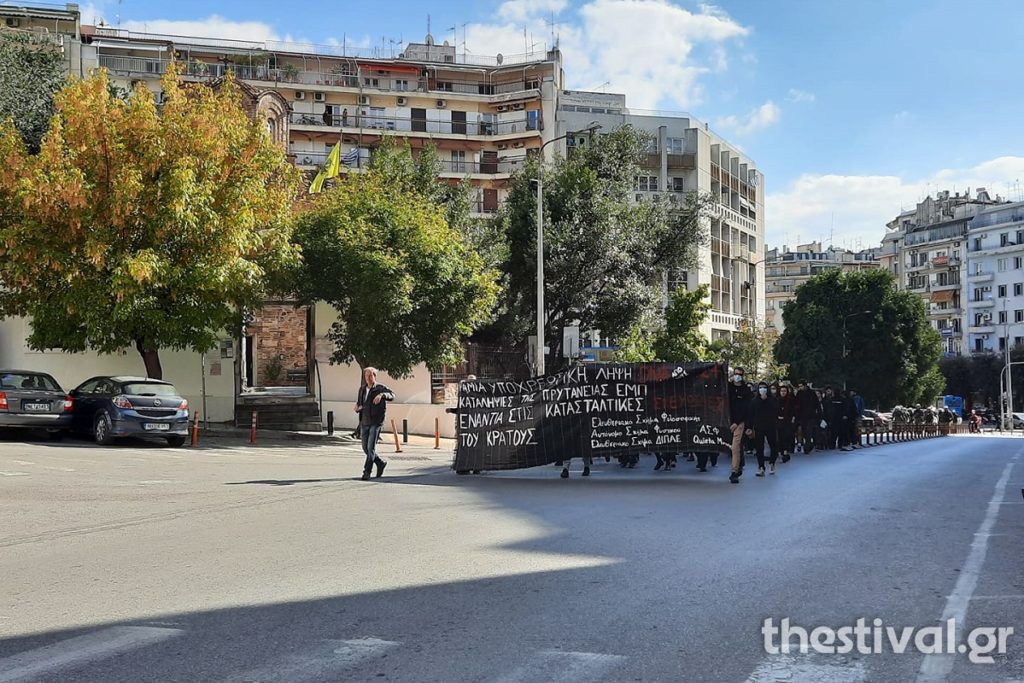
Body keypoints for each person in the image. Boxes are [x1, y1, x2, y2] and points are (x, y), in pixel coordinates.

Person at [354, 367, 395, 480]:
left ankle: (367, 472)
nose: (368, 378)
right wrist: (357, 407)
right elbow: (360, 403)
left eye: (370, 376)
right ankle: (380, 463)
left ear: (374, 376)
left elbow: (392, 395)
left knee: (371, 448)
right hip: (364, 421)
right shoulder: (362, 389)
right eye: (366, 376)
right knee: (365, 448)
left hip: (376, 422)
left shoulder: (380, 388)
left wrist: (382, 395)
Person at [749, 381, 779, 476]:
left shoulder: (773, 400)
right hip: (758, 427)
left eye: (764, 387)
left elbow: (776, 410)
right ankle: (761, 466)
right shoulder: (754, 401)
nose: (762, 389)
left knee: (773, 445)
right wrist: (750, 427)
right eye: (761, 387)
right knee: (759, 448)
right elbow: (751, 415)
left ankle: (772, 463)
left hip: (771, 426)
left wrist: (767, 400)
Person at [728, 367, 752, 484]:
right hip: (727, 420)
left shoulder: (746, 390)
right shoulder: (728, 387)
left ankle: (734, 471)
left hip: (739, 422)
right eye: (736, 374)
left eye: (740, 374)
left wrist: (737, 423)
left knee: (735, 446)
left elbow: (746, 409)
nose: (737, 376)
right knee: (734, 447)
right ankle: (740, 463)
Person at [794, 380, 821, 454]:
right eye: (799, 386)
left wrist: (818, 414)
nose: (800, 388)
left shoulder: (812, 393)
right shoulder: (799, 393)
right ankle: (809, 445)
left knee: (809, 432)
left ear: (805, 385)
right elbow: (796, 403)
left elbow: (817, 404)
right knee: (804, 432)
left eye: (801, 386)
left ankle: (807, 448)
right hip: (802, 416)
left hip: (811, 416)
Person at [776, 383, 797, 462]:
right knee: (780, 437)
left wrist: (792, 418)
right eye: (781, 391)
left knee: (786, 437)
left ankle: (785, 452)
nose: (783, 392)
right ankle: (782, 452)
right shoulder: (777, 400)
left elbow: (793, 411)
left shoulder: (790, 400)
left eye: (785, 391)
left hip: (787, 422)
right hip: (778, 422)